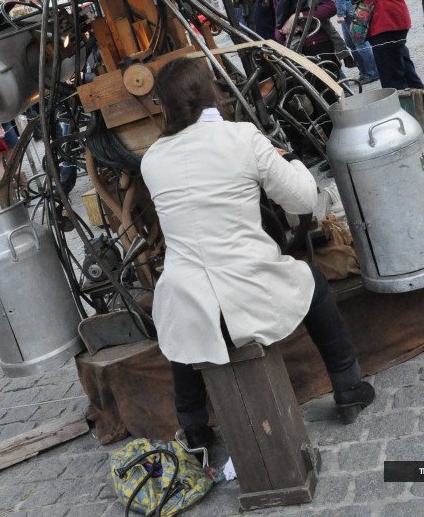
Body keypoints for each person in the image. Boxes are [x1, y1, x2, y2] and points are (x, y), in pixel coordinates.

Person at [140, 58, 375, 453]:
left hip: (188, 301)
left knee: (182, 317)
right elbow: (302, 199)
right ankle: (348, 385)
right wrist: (291, 160)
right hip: (247, 291)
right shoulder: (243, 138)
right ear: (210, 92)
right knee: (313, 282)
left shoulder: (152, 159)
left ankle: (194, 429)